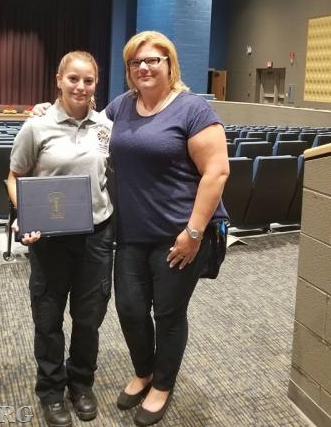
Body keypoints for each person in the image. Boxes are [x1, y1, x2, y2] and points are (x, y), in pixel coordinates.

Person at [31, 31, 230, 427]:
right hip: (131, 235)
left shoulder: (193, 110)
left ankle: (162, 384)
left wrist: (193, 234)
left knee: (169, 314)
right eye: (136, 62)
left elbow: (217, 171)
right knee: (130, 310)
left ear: (170, 64)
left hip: (180, 235)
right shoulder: (122, 107)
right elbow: (83, 125)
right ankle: (144, 371)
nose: (144, 67)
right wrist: (46, 111)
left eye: (153, 60)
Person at [7, 50, 114, 427]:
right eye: (73, 79)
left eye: (88, 80)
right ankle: (51, 392)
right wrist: (26, 213)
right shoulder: (36, 126)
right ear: (59, 79)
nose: (81, 86)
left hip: (96, 236)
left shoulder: (106, 128)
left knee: (89, 318)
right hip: (50, 239)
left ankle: (81, 384)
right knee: (48, 318)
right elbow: (14, 176)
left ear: (95, 84)